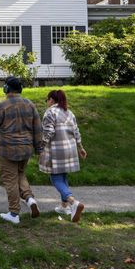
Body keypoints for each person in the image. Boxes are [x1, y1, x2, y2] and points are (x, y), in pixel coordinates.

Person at [0, 76, 43, 224]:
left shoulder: (2, 107)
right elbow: (38, 128)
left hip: (7, 151)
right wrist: (39, 148)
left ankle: (14, 213)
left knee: (10, 180)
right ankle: (29, 199)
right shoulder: (30, 105)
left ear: (7, 89)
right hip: (26, 150)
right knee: (20, 175)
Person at [38, 89, 87, 222]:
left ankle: (73, 203)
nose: (47, 102)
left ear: (52, 100)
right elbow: (76, 132)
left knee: (56, 179)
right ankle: (64, 206)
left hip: (56, 150)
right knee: (63, 177)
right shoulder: (69, 113)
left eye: (47, 99)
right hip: (70, 150)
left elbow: (48, 132)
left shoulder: (50, 112)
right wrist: (81, 148)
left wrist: (41, 147)